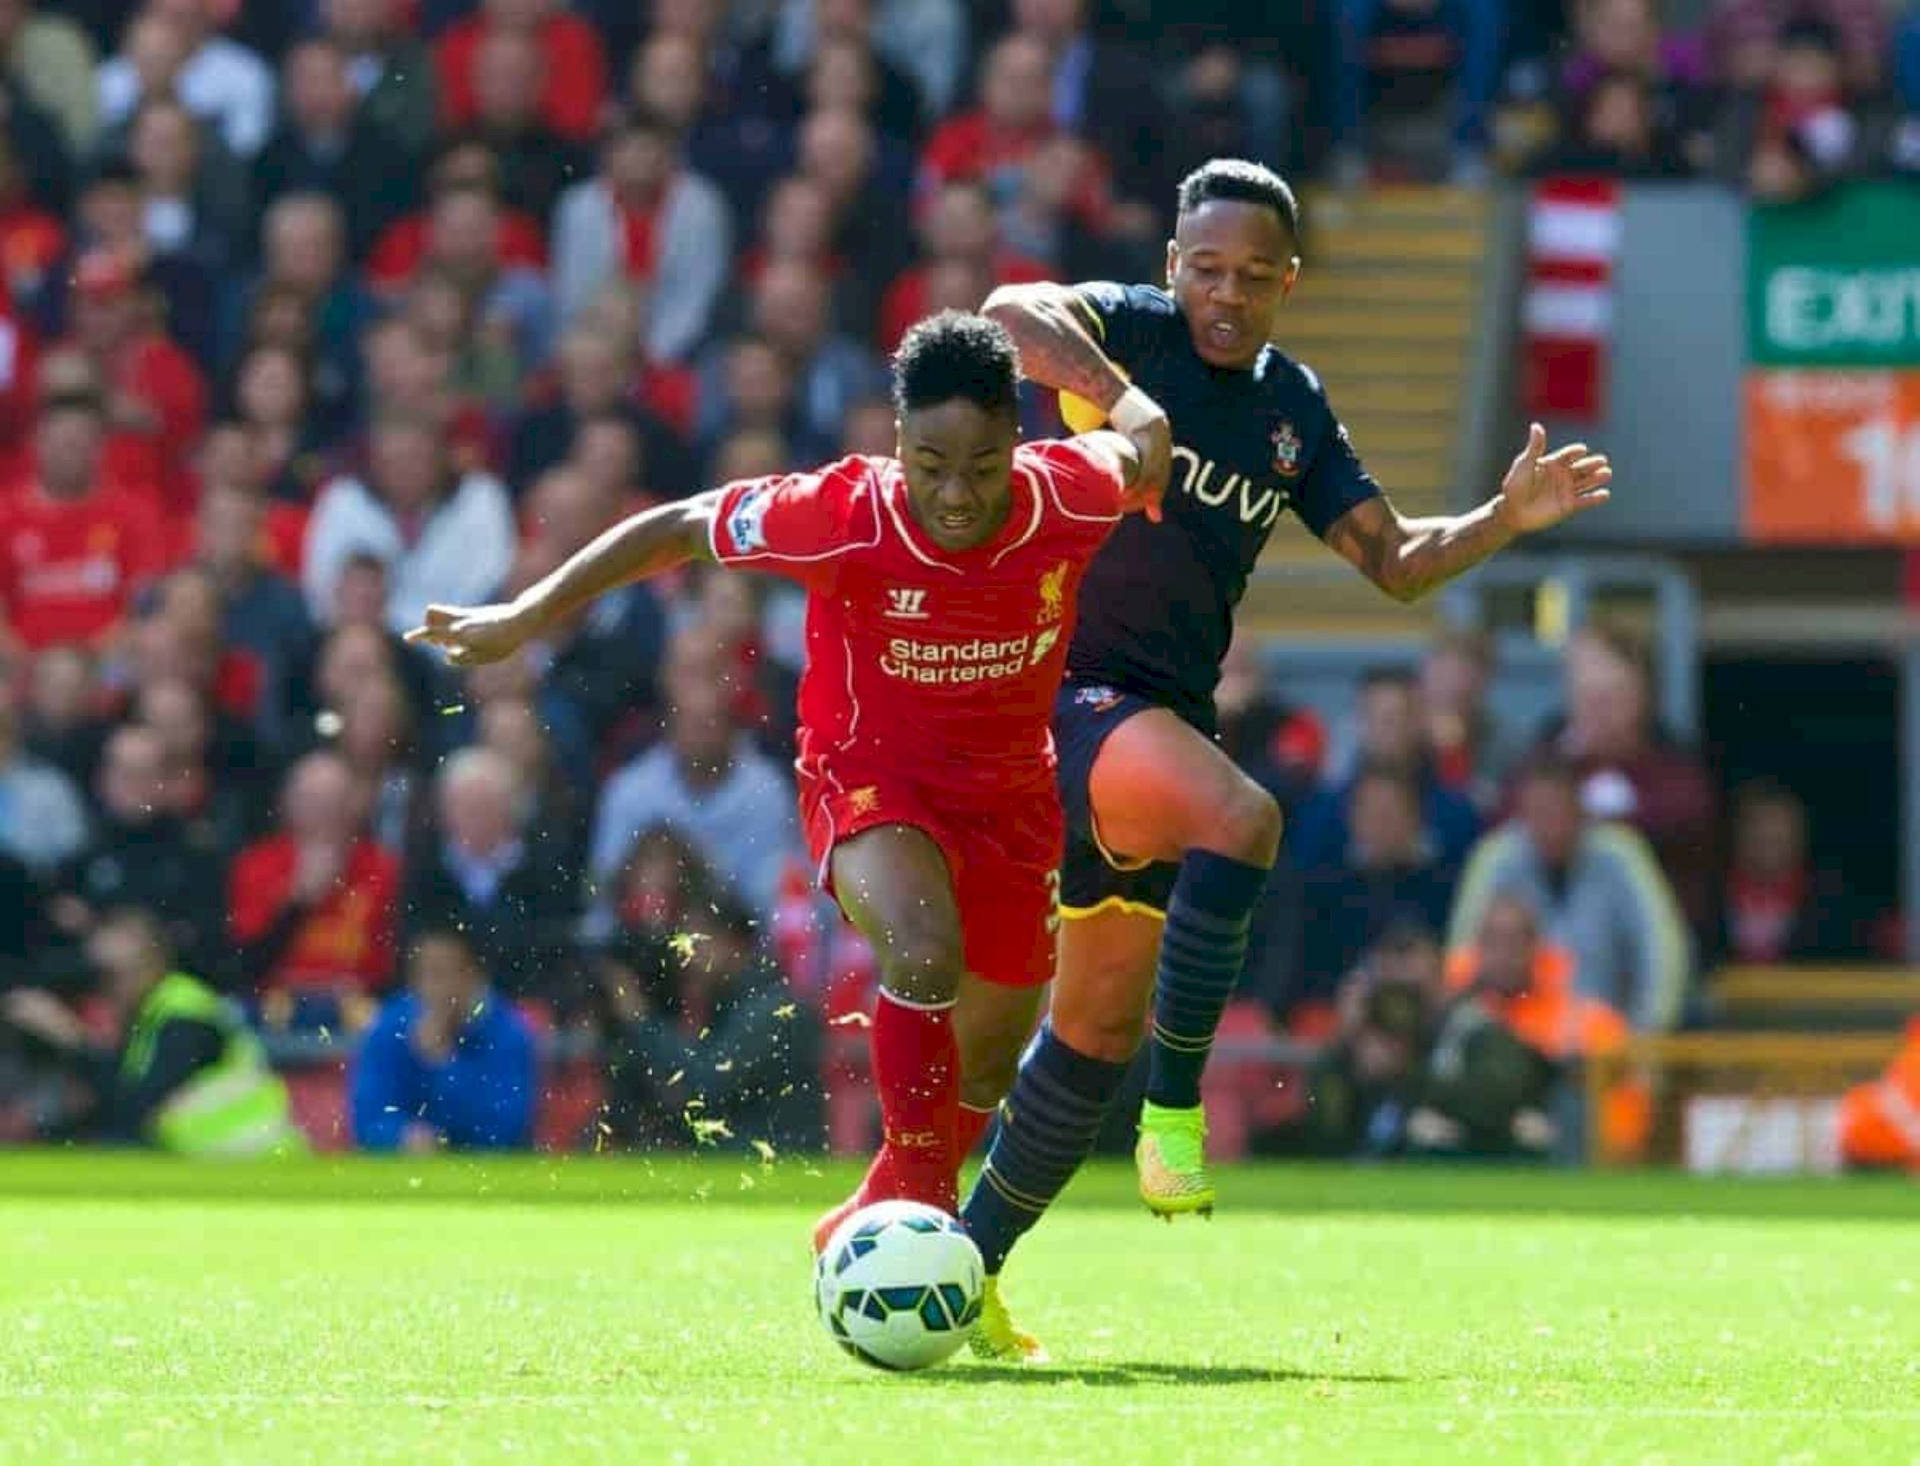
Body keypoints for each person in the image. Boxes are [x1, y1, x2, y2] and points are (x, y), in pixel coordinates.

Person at [962, 157, 1613, 1357]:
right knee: (1246, 819)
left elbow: (1397, 560)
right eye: (1206, 268)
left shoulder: (1292, 410)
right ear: (1172, 265)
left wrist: (1502, 521)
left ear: (1288, 284)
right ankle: (1176, 1115)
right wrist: (1127, 402)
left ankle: (962, 1272)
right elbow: (1007, 316)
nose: (1226, 294)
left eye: (1254, 277)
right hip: (1059, 693)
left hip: (1159, 716)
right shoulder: (1136, 337)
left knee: (1093, 1028)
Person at [406, 310, 1163, 1338]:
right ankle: (928, 1233)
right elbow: (677, 525)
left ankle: (868, 1219)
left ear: (1018, 449)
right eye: (929, 463)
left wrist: (1108, 384)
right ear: (896, 444)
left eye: (980, 466)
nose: (954, 492)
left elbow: (1144, 441)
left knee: (987, 1064)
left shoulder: (1066, 492)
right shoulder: (841, 510)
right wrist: (528, 613)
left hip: (1012, 800)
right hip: (868, 781)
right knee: (923, 951)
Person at [0, 906, 303, 1154]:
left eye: (113, 978)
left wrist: (73, 1038)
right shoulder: (150, 1017)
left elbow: (136, 1110)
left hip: (255, 1162)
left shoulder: (186, 1013)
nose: (107, 991)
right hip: (209, 1162)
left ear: (150, 963)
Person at [349, 922, 536, 1152]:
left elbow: (505, 1129)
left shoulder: (508, 1033)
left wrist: (444, 1063)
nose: (430, 987)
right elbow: (367, 1119)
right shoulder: (391, 1026)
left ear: (471, 975)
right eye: (421, 974)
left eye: (440, 974)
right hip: (407, 1169)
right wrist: (400, 1135)